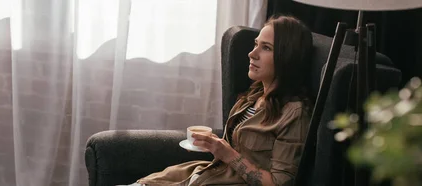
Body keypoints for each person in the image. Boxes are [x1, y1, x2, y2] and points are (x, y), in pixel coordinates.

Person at [128, 15, 314, 186]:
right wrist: (217, 145)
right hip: (207, 174)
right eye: (256, 44)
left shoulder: (294, 114)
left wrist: (228, 155)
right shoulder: (254, 95)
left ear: (286, 57)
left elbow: (278, 183)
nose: (252, 53)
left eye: (266, 48)